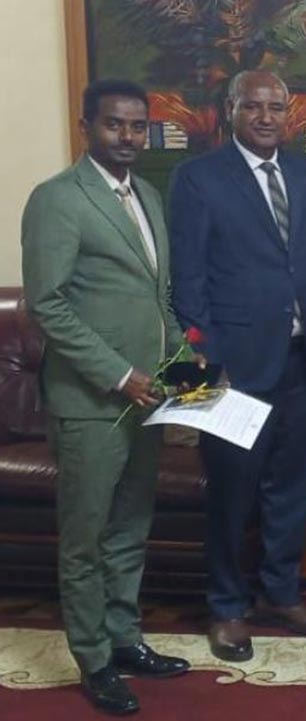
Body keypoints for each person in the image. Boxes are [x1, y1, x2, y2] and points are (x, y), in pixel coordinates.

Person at [21, 79, 191, 715]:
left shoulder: (147, 194)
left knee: (129, 528)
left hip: (148, 399)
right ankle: (93, 661)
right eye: (114, 124)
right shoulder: (58, 199)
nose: (128, 136)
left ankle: (124, 639)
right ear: (86, 126)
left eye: (138, 126)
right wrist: (119, 375)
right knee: (86, 539)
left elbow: (158, 297)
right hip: (92, 401)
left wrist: (185, 365)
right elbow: (47, 305)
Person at [169, 70, 306, 662]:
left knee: (291, 487)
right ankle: (226, 608)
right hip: (231, 367)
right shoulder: (198, 178)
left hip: (300, 359)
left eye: (276, 107)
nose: (266, 117)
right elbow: (186, 280)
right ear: (231, 110)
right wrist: (202, 362)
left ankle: (282, 593)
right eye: (254, 107)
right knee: (231, 492)